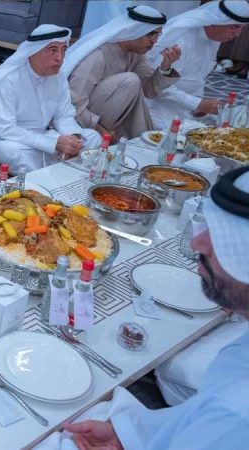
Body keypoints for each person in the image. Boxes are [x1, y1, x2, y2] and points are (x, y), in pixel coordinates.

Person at [58, 167, 249, 450]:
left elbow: (219, 416)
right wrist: (128, 434)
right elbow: (200, 412)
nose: (197, 242)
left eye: (224, 241)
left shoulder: (236, 413)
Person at [0, 24, 102, 171]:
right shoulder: (9, 79)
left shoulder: (58, 77)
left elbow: (63, 116)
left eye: (63, 50)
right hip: (7, 140)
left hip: (45, 135)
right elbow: (7, 129)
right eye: (53, 50)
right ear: (34, 51)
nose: (60, 58)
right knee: (17, 153)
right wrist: (53, 144)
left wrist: (73, 138)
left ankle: (68, 172)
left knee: (92, 137)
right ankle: (53, 176)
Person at [64, 5, 182, 140]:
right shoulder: (98, 55)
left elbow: (149, 90)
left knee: (134, 85)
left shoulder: (136, 54)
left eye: (157, 35)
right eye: (150, 34)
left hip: (111, 117)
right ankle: (139, 140)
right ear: (134, 30)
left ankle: (140, 141)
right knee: (130, 81)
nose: (155, 41)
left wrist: (165, 66)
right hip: (84, 121)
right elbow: (74, 104)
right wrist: (99, 129)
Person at [147, 0, 249, 131]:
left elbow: (196, 77)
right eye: (234, 27)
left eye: (242, 28)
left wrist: (199, 104)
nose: (237, 34)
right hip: (155, 105)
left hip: (182, 106)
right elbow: (156, 86)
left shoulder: (214, 39)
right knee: (189, 139)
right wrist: (198, 103)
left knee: (234, 127)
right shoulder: (181, 41)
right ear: (214, 21)